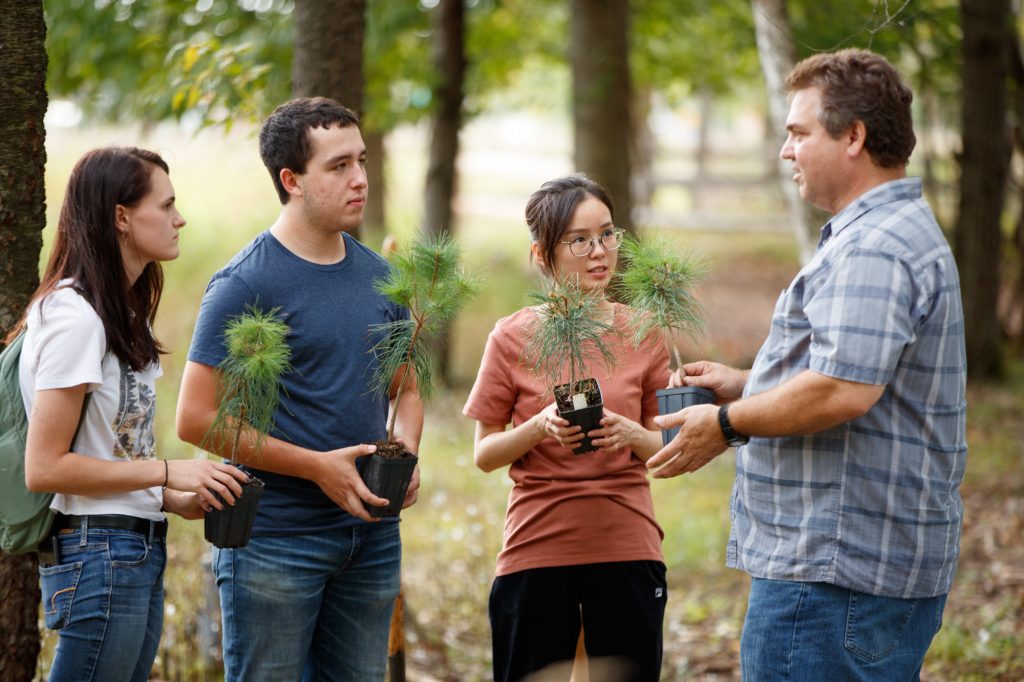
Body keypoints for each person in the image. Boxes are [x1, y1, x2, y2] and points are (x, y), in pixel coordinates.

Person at [648, 49, 967, 680]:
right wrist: (748, 382)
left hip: (835, 574)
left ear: (854, 136)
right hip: (851, 569)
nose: (786, 150)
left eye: (798, 133)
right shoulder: (884, 231)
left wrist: (729, 421)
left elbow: (843, 390)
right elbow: (863, 370)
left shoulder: (876, 247)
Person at [176, 97, 424, 681]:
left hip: (372, 537)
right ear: (291, 180)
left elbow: (407, 389)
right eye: (338, 166)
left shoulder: (382, 277)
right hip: (275, 542)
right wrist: (316, 467)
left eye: (360, 160)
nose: (360, 178)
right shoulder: (244, 285)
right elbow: (195, 418)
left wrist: (407, 453)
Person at [15, 147, 249, 682]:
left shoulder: (119, 311)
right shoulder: (73, 316)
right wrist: (167, 471)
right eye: (165, 205)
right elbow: (46, 469)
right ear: (122, 217)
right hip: (98, 553)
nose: (179, 218)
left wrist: (172, 498)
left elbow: (109, 453)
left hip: (131, 545)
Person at [464, 174, 671, 682]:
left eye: (607, 234)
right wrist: (538, 427)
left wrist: (630, 435)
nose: (599, 251)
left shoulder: (643, 333)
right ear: (542, 255)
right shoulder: (511, 337)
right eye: (579, 240)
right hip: (536, 549)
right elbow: (486, 453)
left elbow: (666, 447)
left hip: (628, 547)